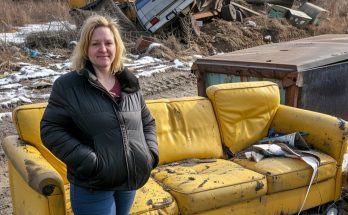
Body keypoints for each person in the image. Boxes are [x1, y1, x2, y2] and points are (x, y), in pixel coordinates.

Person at [40, 15, 159, 215]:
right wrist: (90, 161)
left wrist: (149, 155)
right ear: (86, 48)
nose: (103, 49)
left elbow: (147, 122)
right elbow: (50, 130)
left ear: (117, 47)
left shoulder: (129, 82)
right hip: (93, 185)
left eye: (108, 43)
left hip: (128, 182)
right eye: (95, 44)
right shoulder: (68, 86)